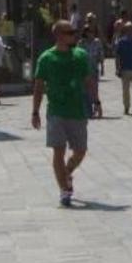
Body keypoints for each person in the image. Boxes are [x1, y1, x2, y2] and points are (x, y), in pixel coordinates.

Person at [32, 20, 98, 207]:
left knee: (80, 151)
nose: (74, 35)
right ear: (59, 35)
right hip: (56, 111)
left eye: (74, 32)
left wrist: (97, 101)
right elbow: (38, 86)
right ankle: (64, 190)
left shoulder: (80, 55)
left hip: (77, 111)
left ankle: (66, 173)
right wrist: (35, 111)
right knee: (58, 150)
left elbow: (88, 80)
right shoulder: (46, 58)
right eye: (70, 32)